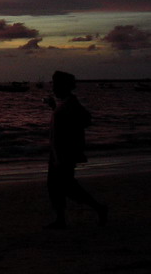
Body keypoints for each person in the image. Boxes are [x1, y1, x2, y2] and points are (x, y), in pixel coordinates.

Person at [44, 70, 108, 229]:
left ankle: (98, 208)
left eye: (55, 85)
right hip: (58, 152)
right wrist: (53, 108)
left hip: (64, 153)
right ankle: (61, 219)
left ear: (63, 86)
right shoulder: (66, 104)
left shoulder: (71, 104)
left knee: (67, 187)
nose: (53, 88)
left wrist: (69, 149)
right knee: (56, 186)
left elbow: (83, 120)